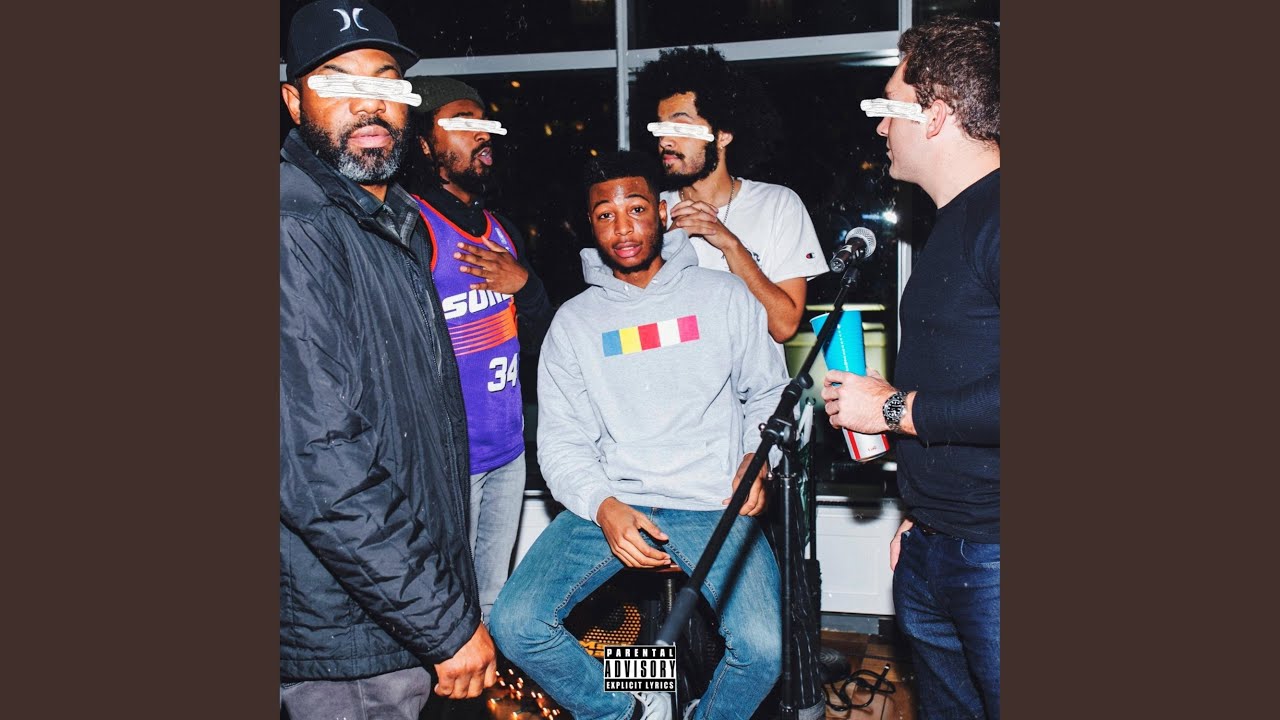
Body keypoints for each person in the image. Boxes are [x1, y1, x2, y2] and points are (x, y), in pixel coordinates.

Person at [489, 151, 787, 720]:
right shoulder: (573, 323)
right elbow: (561, 442)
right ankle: (623, 712)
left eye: (636, 209)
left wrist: (757, 456)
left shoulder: (724, 296)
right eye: (606, 215)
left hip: (713, 503)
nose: (623, 228)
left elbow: (769, 393)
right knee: (516, 623)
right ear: (590, 225)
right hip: (616, 502)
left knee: (764, 649)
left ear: (662, 212)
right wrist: (604, 507)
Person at [278, 2, 496, 717]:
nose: (368, 102)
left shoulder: (390, 217)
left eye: (384, 80)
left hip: (391, 617)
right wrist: (445, 622)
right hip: (347, 642)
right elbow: (320, 464)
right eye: (338, 81)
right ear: (292, 101)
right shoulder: (294, 227)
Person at [633, 45, 829, 720]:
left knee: (762, 604)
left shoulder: (775, 206)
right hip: (666, 442)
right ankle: (652, 709)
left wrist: (726, 242)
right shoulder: (646, 214)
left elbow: (785, 322)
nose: (666, 139)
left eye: (682, 124)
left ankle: (775, 708)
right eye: (659, 126)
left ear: (723, 133)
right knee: (657, 605)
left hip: (755, 441)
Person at [820, 16, 1001, 720]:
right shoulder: (953, 222)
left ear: (937, 114)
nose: (878, 126)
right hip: (936, 545)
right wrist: (920, 517)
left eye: (888, 106)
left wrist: (890, 410)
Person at [402, 75, 554, 624]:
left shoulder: (501, 230)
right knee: (447, 607)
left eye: (484, 122)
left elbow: (541, 338)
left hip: (507, 451)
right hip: (449, 460)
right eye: (462, 123)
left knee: (492, 601)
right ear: (425, 144)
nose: (481, 134)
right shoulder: (413, 227)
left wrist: (526, 286)